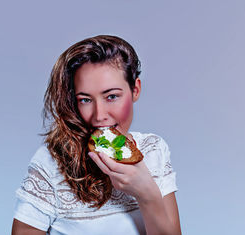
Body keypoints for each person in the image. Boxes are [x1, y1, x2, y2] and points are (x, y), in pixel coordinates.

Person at [11, 35, 181, 235]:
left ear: (135, 90)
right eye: (85, 100)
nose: (99, 116)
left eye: (111, 97)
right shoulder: (51, 162)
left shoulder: (154, 150)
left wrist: (147, 194)